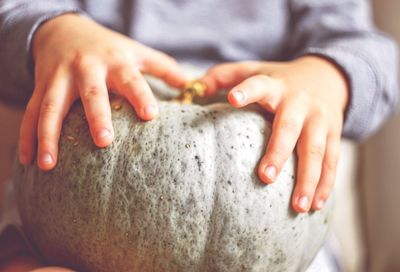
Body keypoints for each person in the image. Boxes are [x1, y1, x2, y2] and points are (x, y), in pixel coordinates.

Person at [0, 0, 398, 271]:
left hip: (266, 248)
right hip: (70, 239)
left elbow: (372, 52)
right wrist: (51, 33)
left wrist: (328, 76)